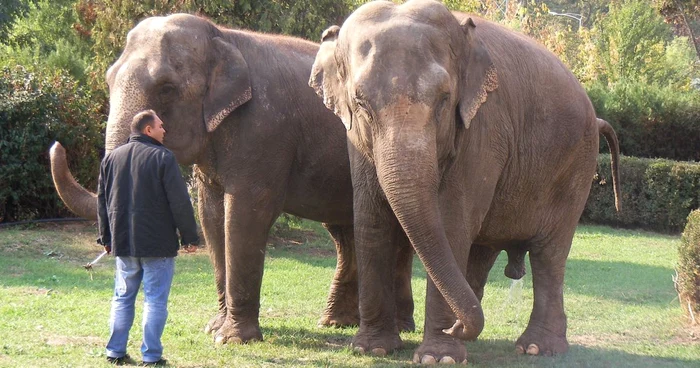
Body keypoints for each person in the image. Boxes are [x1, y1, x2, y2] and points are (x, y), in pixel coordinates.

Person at [97, 109, 198, 366]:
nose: (165, 130)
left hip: (123, 241)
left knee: (122, 297)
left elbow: (103, 202)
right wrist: (189, 237)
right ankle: (151, 357)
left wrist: (106, 237)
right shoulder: (163, 158)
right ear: (148, 130)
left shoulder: (111, 159)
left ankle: (115, 352)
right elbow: (179, 201)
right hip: (158, 244)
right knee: (154, 300)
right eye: (161, 126)